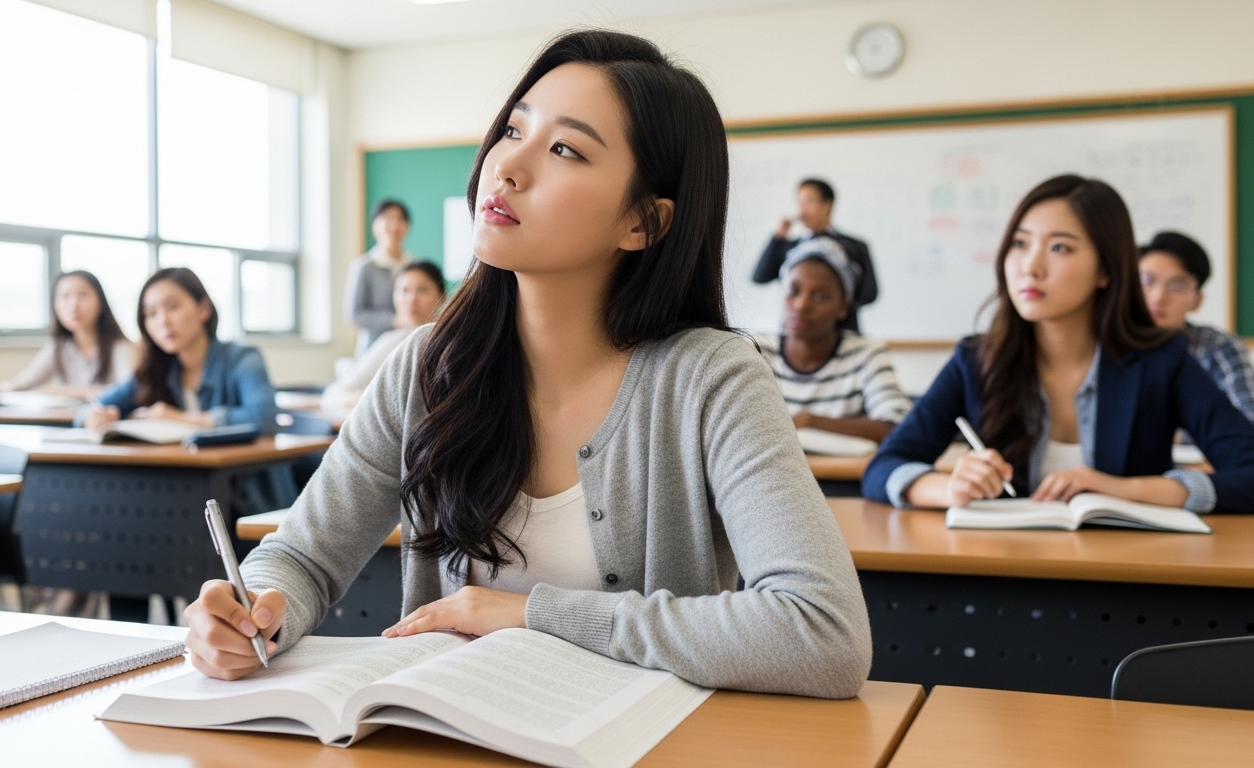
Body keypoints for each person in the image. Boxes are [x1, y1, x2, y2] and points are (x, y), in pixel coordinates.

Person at [185, 30, 871, 698]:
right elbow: (302, 557)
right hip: (445, 741)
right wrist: (257, 609)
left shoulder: (710, 378)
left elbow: (823, 632)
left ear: (644, 223)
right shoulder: (426, 365)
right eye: (513, 131)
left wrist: (533, 614)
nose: (506, 167)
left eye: (566, 148)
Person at [864, 175, 1254, 512]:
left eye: (1059, 248)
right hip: (998, 579)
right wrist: (946, 488)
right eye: (1020, 244)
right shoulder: (977, 359)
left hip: (1129, 582)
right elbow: (885, 467)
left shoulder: (1162, 361)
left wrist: (1127, 491)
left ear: (1105, 270)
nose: (1030, 267)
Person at [83, 267, 295, 513]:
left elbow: (265, 418)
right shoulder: (156, 370)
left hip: (248, 500)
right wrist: (95, 416)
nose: (162, 321)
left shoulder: (242, 358)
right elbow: (92, 408)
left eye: (172, 307)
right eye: (150, 313)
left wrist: (182, 419)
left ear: (203, 308)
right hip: (185, 496)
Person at [756, 236, 912, 443]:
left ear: (843, 307)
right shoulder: (757, 353)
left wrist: (809, 422)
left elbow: (898, 426)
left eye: (820, 297)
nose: (801, 306)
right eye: (793, 291)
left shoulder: (866, 354)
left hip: (842, 475)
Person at [1138, 231, 1254, 432]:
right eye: (1146, 281)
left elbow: (1252, 423)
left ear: (1197, 301)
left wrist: (1163, 434)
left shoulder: (1218, 347)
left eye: (1177, 286)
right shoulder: (1102, 344)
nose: (1158, 297)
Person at [751, 178, 878, 332]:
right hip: (796, 337)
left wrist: (833, 308)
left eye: (809, 202)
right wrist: (777, 239)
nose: (801, 210)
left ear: (828, 205)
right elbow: (759, 277)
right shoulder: (789, 247)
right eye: (799, 202)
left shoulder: (855, 247)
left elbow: (870, 293)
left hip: (842, 334)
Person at [321, 261, 446, 413]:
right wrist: (369, 399)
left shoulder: (451, 342)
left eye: (422, 290)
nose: (411, 299)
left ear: (442, 296)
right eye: (404, 290)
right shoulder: (393, 342)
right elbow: (333, 396)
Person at [0, 270, 135, 398]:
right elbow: (22, 383)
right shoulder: (58, 347)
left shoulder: (119, 347)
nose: (73, 304)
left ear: (101, 302)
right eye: (64, 296)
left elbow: (128, 391)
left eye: (83, 295)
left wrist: (58, 391)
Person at [346, 199, 415, 352]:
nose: (394, 225)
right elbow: (355, 314)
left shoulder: (414, 266)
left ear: (407, 226)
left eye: (400, 219)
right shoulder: (364, 266)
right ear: (375, 225)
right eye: (387, 218)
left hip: (407, 347)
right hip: (373, 349)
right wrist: (395, 321)